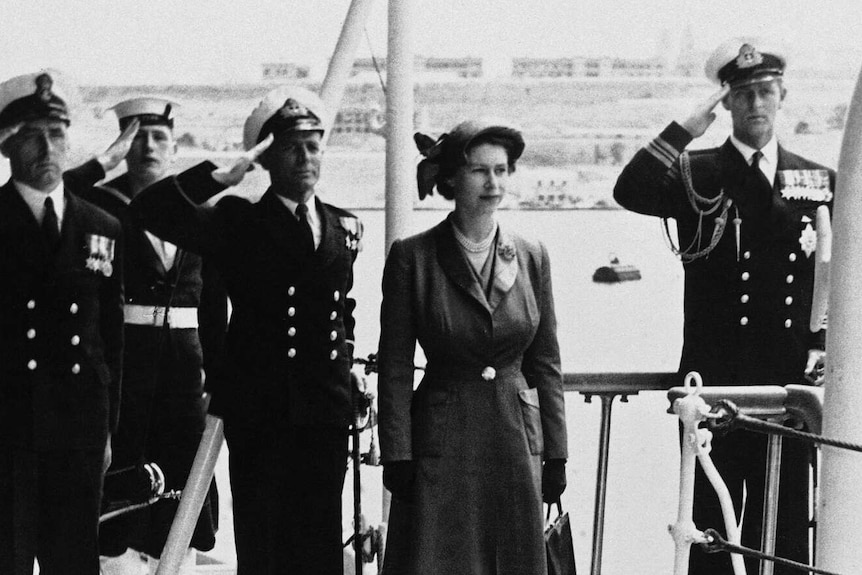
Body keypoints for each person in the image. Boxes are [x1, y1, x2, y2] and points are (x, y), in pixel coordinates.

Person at [613, 38, 835, 575]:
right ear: (726, 104)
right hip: (714, 379)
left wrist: (823, 346)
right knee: (710, 527)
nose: (756, 104)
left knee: (782, 530)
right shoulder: (696, 172)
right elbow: (630, 189)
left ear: (782, 96)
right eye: (742, 95)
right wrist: (684, 128)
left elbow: (837, 276)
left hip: (788, 384)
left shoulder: (817, 180)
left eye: (765, 92)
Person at [128, 86, 364, 575]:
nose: (305, 157)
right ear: (267, 157)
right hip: (263, 414)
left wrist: (349, 375)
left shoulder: (344, 227)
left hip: (325, 411)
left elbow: (343, 312)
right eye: (291, 146)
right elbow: (150, 209)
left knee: (321, 546)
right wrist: (220, 174)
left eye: (314, 145)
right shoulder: (238, 222)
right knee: (265, 548)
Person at [377, 119, 568, 574]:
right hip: (443, 443)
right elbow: (396, 365)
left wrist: (556, 451)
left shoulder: (530, 255)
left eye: (501, 171)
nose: (493, 183)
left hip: (515, 440)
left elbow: (545, 363)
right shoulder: (414, 256)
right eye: (479, 171)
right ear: (450, 179)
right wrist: (397, 454)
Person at [70, 97, 223, 575]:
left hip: (185, 371)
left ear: (175, 147)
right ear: (122, 144)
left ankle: (179, 560)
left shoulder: (200, 210)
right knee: (121, 476)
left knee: (188, 477)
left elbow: (214, 304)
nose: (148, 146)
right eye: (137, 136)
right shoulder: (98, 204)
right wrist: (102, 163)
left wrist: (217, 374)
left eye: (159, 137)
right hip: (124, 370)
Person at [0, 70, 124, 575]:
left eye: (55, 133)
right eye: (31, 135)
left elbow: (111, 343)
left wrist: (108, 431)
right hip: (8, 426)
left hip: (78, 428)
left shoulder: (102, 227)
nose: (47, 147)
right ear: (7, 146)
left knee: (73, 560)